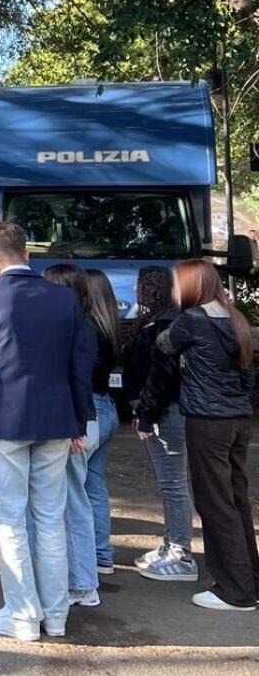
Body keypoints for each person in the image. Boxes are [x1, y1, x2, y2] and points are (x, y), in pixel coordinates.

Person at [0, 223, 93, 642]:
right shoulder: (64, 299)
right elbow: (79, 364)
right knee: (50, 517)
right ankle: (56, 615)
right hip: (56, 419)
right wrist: (80, 421)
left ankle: (23, 615)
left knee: (10, 518)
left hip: (5, 420)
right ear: (27, 254)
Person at [157, 259, 258, 611]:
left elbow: (164, 344)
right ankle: (249, 579)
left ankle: (234, 591)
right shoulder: (236, 319)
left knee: (215, 503)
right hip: (239, 418)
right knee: (235, 499)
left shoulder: (191, 321)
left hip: (207, 420)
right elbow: (247, 377)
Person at [122, 266, 198, 581]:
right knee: (169, 483)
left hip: (166, 413)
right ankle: (171, 545)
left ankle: (181, 554)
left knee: (173, 483)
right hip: (165, 411)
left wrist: (146, 413)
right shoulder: (164, 320)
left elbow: (161, 377)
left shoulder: (164, 325)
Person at [41, 265, 104, 609]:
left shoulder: (75, 327)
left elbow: (78, 380)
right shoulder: (86, 323)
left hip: (75, 423)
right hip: (81, 419)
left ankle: (81, 583)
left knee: (71, 504)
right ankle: (81, 579)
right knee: (76, 500)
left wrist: (77, 426)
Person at [85, 269, 121, 576]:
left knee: (76, 486)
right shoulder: (110, 328)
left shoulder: (87, 329)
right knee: (95, 485)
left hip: (90, 411)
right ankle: (101, 552)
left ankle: (87, 556)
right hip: (107, 406)